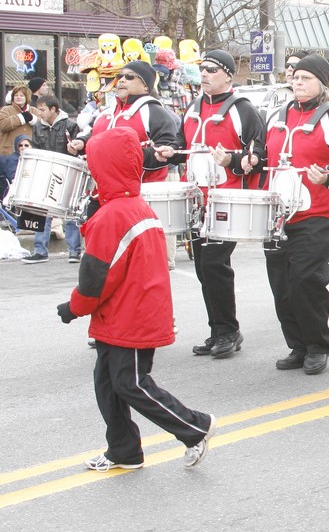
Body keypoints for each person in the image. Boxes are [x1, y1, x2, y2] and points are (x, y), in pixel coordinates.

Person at [56, 126, 215, 472]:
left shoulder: (113, 215)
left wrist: (73, 308)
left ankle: (195, 426)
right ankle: (124, 450)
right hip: (126, 314)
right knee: (109, 384)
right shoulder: (132, 206)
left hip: (130, 316)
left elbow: (96, 279)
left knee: (131, 384)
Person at [155, 49, 265, 360]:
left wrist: (235, 160)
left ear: (229, 75)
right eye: (202, 69)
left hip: (227, 198)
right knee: (204, 267)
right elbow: (181, 144)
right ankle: (218, 330)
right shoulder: (193, 107)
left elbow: (260, 155)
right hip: (196, 199)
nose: (204, 74)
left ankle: (229, 331)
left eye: (212, 69)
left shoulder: (242, 109)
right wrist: (170, 151)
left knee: (215, 265)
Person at [253, 54, 329, 375]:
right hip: (277, 216)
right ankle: (297, 346)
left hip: (316, 215)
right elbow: (260, 153)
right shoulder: (275, 115)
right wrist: (249, 159)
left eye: (306, 78)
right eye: (296, 77)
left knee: (306, 283)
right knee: (282, 286)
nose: (298, 83)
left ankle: (317, 346)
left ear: (320, 83)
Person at [70, 60, 181, 184]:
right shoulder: (106, 112)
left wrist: (129, 155)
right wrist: (82, 143)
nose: (122, 80)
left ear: (146, 86)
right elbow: (93, 135)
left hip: (140, 192)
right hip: (101, 191)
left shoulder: (155, 112)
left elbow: (166, 149)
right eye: (119, 76)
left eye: (129, 77)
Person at [22, 95, 83, 264]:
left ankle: (74, 250)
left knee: (70, 212)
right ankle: (40, 250)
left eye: (42, 110)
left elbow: (79, 150)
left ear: (53, 109)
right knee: (41, 211)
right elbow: (36, 148)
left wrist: (74, 150)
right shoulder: (38, 128)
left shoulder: (70, 125)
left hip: (67, 172)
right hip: (45, 171)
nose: (39, 113)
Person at [0, 85, 37, 201]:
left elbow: (41, 125)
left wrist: (32, 119)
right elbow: (3, 125)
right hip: (8, 153)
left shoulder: (34, 110)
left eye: (21, 95)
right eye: (16, 95)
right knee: (7, 184)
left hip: (29, 155)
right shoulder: (6, 110)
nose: (18, 97)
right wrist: (21, 117)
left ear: (27, 97)